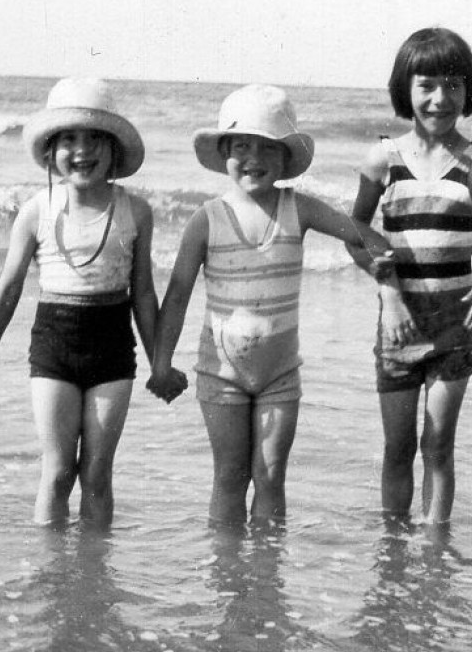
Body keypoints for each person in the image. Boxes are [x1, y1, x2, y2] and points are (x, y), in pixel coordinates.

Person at [151, 84, 393, 527]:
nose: (254, 158)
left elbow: (353, 230)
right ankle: (226, 574)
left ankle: (265, 579)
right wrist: (161, 365)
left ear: (286, 159)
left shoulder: (297, 208)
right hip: (220, 374)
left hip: (280, 374)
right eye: (241, 145)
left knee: (271, 476)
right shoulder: (206, 219)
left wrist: (389, 257)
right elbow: (178, 297)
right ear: (223, 151)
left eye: (268, 148)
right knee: (228, 475)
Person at [0, 77, 184, 527]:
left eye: (94, 139)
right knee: (59, 471)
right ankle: (52, 571)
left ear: (114, 151)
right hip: (53, 348)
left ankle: (92, 575)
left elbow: (143, 292)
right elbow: (8, 288)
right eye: (69, 139)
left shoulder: (136, 211)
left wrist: (161, 362)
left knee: (97, 474)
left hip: (112, 348)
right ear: (50, 151)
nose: (81, 150)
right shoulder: (35, 210)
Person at [345, 27, 472, 526]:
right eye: (427, 85)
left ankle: (435, 547)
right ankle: (394, 546)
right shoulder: (383, 160)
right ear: (406, 89)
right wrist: (388, 294)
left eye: (454, 85)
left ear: (468, 91)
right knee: (397, 447)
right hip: (398, 326)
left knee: (437, 443)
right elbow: (356, 234)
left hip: (455, 325)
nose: (441, 98)